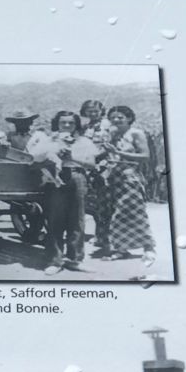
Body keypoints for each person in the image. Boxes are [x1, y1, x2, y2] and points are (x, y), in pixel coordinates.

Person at [28, 110, 98, 274]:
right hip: (54, 178)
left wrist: (71, 157)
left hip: (76, 177)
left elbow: (91, 165)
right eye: (63, 123)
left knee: (77, 220)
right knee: (54, 219)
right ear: (57, 124)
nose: (67, 126)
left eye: (71, 123)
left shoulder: (84, 142)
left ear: (76, 125)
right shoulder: (48, 140)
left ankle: (75, 259)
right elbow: (34, 160)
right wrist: (52, 152)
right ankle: (55, 260)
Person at [103, 105, 157, 268]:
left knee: (135, 212)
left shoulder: (136, 133)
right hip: (114, 178)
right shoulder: (112, 134)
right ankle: (121, 248)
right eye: (113, 117)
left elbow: (145, 156)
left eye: (120, 117)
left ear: (129, 118)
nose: (116, 119)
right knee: (117, 214)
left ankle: (149, 247)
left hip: (130, 178)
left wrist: (119, 154)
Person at [78, 99, 115, 257]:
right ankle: (99, 235)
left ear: (102, 110)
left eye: (95, 110)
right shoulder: (86, 127)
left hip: (103, 166)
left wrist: (93, 159)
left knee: (105, 201)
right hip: (90, 166)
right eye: (89, 111)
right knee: (94, 203)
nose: (92, 113)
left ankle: (107, 237)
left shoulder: (107, 126)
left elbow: (108, 147)